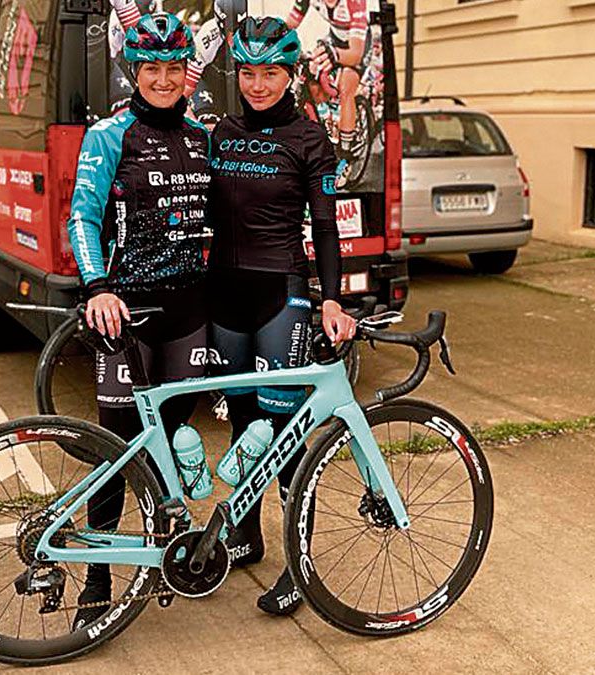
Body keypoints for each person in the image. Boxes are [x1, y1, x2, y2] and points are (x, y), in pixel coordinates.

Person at [66, 12, 211, 631]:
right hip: (124, 316)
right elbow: (81, 216)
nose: (161, 79)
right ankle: (98, 579)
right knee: (114, 451)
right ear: (133, 71)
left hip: (188, 316)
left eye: (171, 68)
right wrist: (97, 287)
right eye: (149, 68)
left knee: (172, 442)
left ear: (187, 73)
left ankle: (160, 555)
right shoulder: (108, 136)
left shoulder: (203, 137)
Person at [207, 16, 356, 616]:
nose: (259, 84)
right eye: (248, 72)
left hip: (283, 295)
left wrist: (332, 297)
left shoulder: (309, 139)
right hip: (225, 294)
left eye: (270, 72)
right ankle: (246, 534)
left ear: (291, 73)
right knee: (244, 428)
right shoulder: (219, 132)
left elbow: (324, 227)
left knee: (290, 440)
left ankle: (301, 568)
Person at [286, 0, 369, 183]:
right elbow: (289, 25)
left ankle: (345, 156)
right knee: (311, 72)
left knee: (347, 85)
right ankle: (326, 123)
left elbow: (355, 53)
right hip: (334, 37)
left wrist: (335, 55)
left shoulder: (354, 3)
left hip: (358, 45)